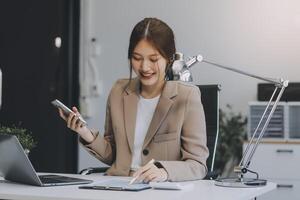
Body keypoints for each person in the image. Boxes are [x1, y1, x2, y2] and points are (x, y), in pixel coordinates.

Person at [58, 17, 209, 182]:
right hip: (119, 185)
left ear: (169, 59)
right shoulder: (119, 91)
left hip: (161, 191)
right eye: (137, 58)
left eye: (153, 59)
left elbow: (197, 165)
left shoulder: (187, 96)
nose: (144, 67)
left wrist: (165, 171)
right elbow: (114, 155)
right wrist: (84, 132)